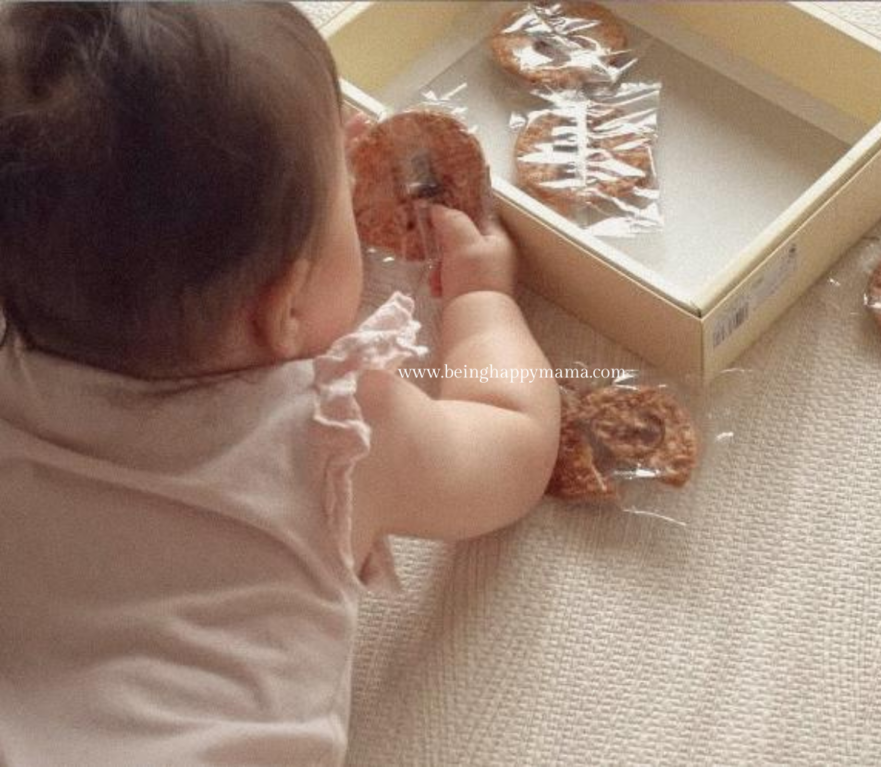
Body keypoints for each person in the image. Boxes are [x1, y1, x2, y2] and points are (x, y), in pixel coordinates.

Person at [0, 4, 560, 764]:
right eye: (343, 177)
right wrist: (480, 299)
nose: (363, 147)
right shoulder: (341, 430)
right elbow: (514, 443)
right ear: (286, 307)